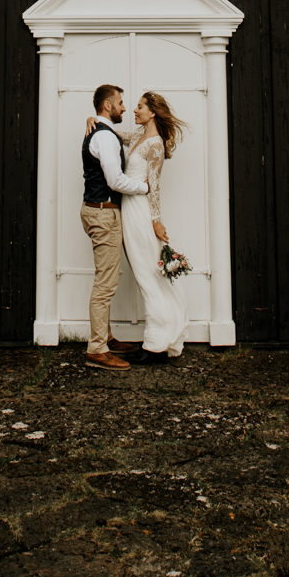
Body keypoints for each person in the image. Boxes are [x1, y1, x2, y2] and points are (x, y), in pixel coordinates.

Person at [86, 91, 190, 365]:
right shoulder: (136, 138)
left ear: (152, 112)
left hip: (141, 213)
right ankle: (155, 339)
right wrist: (93, 119)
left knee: (148, 275)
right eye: (131, 105)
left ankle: (156, 344)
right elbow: (110, 133)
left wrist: (156, 220)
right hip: (126, 211)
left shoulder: (154, 145)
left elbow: (154, 186)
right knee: (142, 273)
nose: (134, 110)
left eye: (140, 107)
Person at [80, 84, 150, 372]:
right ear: (107, 106)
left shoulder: (101, 132)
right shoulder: (105, 138)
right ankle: (97, 349)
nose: (125, 108)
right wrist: (146, 188)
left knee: (105, 277)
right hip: (103, 213)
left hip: (98, 212)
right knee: (105, 285)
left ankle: (106, 338)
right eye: (120, 103)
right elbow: (115, 181)